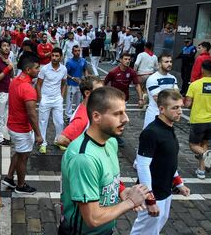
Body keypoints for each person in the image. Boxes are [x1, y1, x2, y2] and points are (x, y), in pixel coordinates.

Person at [59, 86, 149, 234]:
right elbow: (93, 218)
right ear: (96, 117)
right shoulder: (84, 159)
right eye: (117, 114)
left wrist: (121, 191)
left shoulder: (111, 141)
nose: (126, 119)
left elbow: (107, 177)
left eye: (124, 112)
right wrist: (130, 202)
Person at [131, 89, 190, 235]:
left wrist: (178, 183)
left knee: (155, 228)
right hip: (153, 193)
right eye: (175, 108)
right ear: (162, 109)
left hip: (165, 190)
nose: (180, 111)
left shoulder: (169, 127)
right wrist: (150, 199)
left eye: (180, 107)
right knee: (143, 231)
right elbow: (142, 166)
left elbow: (168, 160)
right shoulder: (152, 132)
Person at [1, 55, 43, 194]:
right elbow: (32, 114)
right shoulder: (27, 88)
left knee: (19, 153)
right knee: (23, 157)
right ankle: (20, 185)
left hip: (14, 125)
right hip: (21, 128)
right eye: (36, 68)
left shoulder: (15, 81)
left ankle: (8, 177)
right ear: (28, 69)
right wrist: (38, 134)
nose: (39, 70)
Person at [56, 76, 103, 147]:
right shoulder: (82, 118)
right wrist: (81, 149)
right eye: (99, 91)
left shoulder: (88, 107)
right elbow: (61, 139)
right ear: (87, 93)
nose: (103, 94)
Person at [36, 48, 67, 154]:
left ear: (61, 57)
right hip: (45, 99)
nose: (54, 58)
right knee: (43, 122)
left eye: (57, 56)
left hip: (57, 99)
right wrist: (40, 98)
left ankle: (58, 141)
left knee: (60, 122)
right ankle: (43, 143)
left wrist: (61, 96)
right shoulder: (44, 69)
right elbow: (38, 84)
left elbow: (64, 84)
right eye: (53, 55)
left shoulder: (63, 69)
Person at [143, 53, 178, 129]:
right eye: (166, 62)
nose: (169, 64)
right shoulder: (153, 78)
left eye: (170, 62)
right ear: (159, 64)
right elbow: (159, 100)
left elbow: (177, 96)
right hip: (154, 116)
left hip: (167, 117)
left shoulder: (173, 78)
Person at [65, 45, 89, 120]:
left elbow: (85, 70)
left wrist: (86, 78)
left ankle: (76, 115)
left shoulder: (83, 61)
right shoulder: (69, 62)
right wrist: (72, 78)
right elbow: (65, 73)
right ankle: (68, 116)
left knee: (78, 102)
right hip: (71, 85)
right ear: (72, 52)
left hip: (80, 85)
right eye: (75, 51)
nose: (77, 52)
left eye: (78, 51)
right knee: (69, 101)